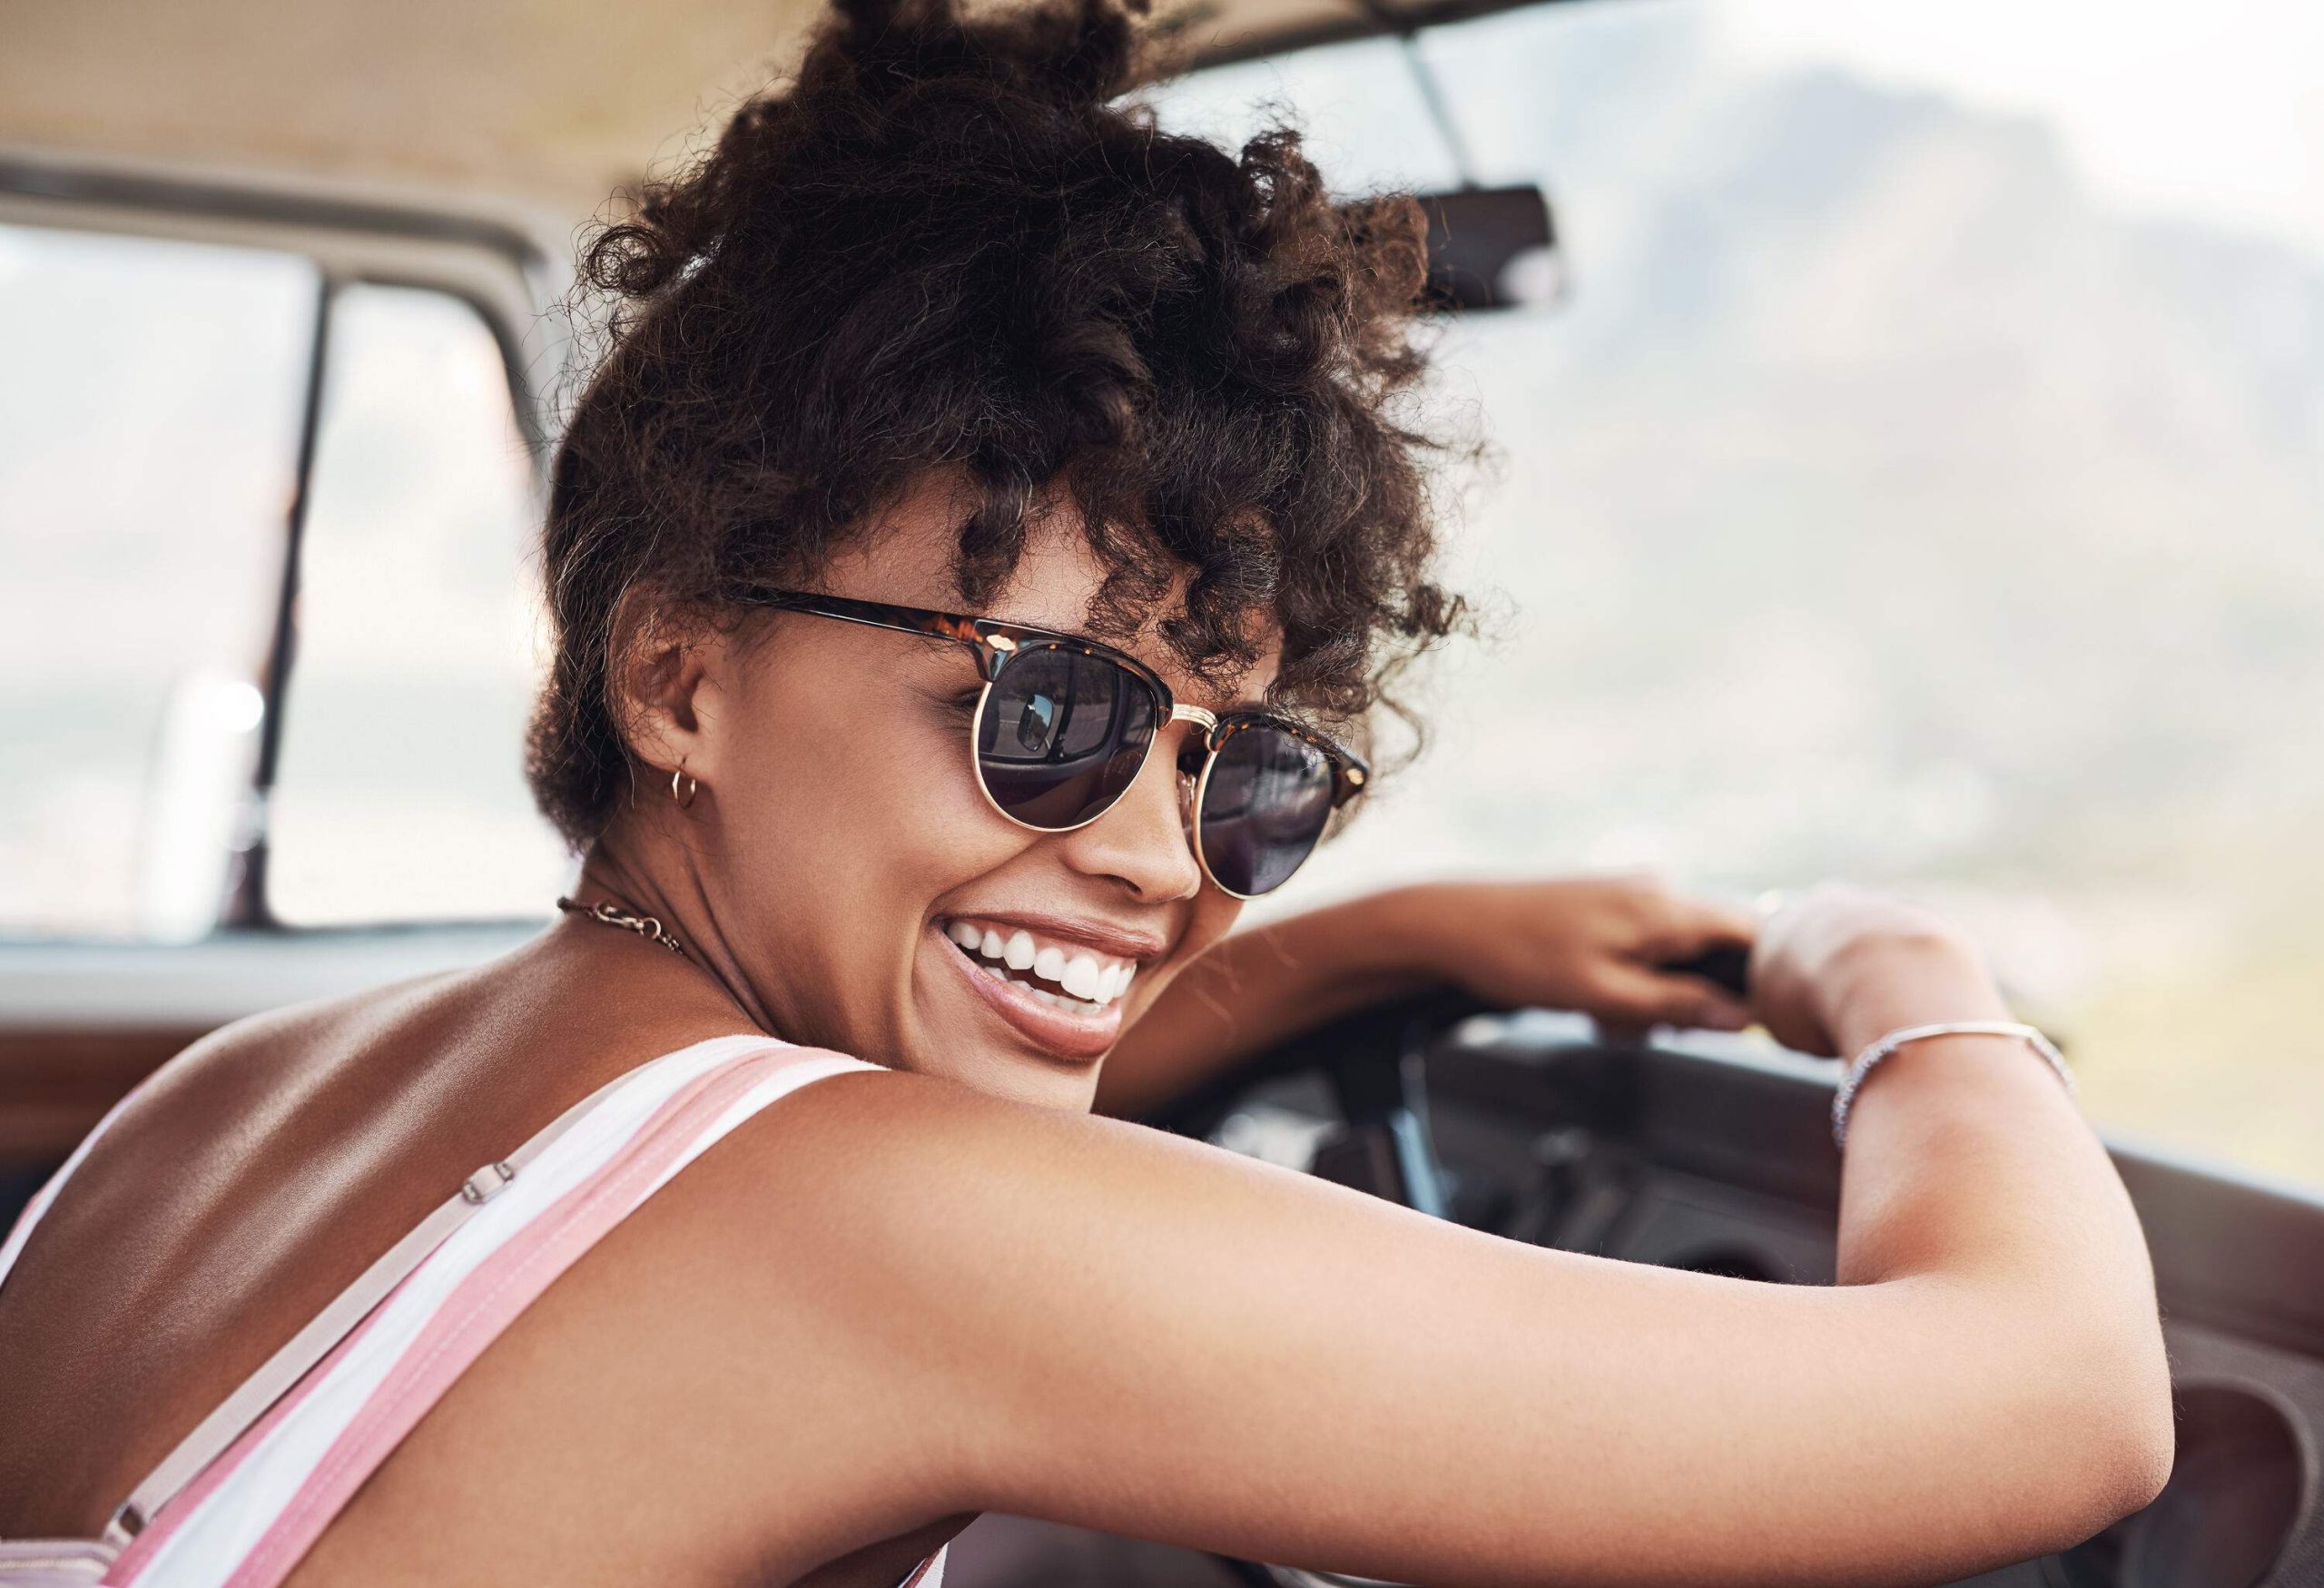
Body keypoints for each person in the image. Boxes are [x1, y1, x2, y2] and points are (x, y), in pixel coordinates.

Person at [0, 0, 2171, 1581]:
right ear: (675, 668)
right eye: (1051, 709)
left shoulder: (213, 1118)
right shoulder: (864, 1227)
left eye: (1245, 775)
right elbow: (2051, 1396)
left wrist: (1407, 937)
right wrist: (1896, 972)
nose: (1154, 859)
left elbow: (856, 1152)